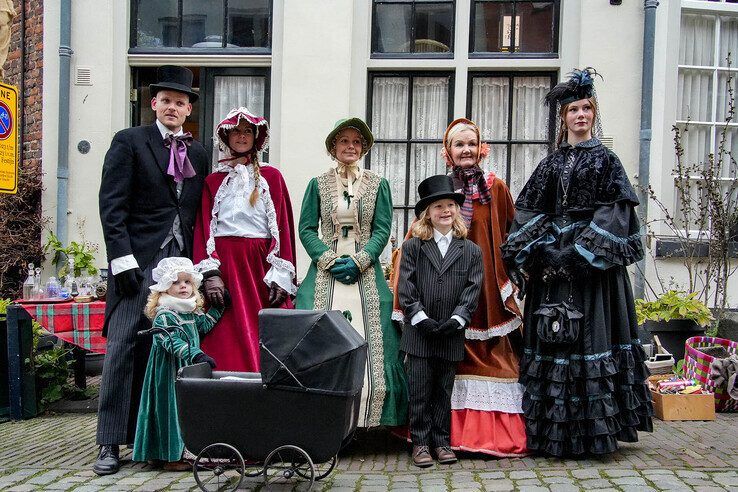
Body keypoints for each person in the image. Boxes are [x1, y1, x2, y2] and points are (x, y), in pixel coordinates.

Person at [501, 68, 653, 456]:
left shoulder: (608, 161)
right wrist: (542, 250)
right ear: (564, 117)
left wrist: (579, 254)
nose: (580, 116)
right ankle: (553, 433)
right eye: (573, 110)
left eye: (586, 109)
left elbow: (616, 213)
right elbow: (529, 209)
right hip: (552, 267)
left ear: (593, 114)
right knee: (553, 338)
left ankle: (593, 435)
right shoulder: (550, 164)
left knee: (589, 338)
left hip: (593, 276)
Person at [96, 65, 209, 475]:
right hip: (139, 262)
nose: (173, 107)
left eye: (181, 102)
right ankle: (108, 442)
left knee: (166, 352)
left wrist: (202, 269)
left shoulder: (198, 152)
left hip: (181, 265)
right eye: (167, 100)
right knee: (125, 345)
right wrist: (122, 260)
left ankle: (155, 440)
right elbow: (112, 205)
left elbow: (196, 211)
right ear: (154, 103)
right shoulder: (129, 142)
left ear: (188, 108)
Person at [393, 118, 528, 457]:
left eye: (471, 143)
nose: (466, 150)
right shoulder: (437, 195)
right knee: (429, 375)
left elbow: (514, 233)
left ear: (481, 148)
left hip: (482, 296)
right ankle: (427, 439)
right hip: (435, 302)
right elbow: (412, 245)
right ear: (447, 152)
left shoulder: (495, 188)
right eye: (459, 144)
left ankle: (473, 437)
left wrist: (516, 274)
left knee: (497, 359)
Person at [295, 118, 408, 428]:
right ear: (334, 147)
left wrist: (361, 260)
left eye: (356, 142)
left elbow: (383, 228)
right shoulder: (317, 184)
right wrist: (328, 260)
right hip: (326, 269)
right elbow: (306, 229)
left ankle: (372, 418)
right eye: (344, 141)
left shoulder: (377, 183)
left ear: (363, 148)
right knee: (308, 310)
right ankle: (322, 419)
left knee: (382, 318)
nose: (350, 147)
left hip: (365, 269)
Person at [193, 107, 296, 372]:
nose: (241, 136)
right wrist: (210, 273)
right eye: (236, 131)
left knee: (263, 328)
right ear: (226, 137)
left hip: (259, 266)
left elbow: (282, 226)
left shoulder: (272, 177)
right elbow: (204, 229)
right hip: (225, 265)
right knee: (224, 329)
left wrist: (281, 273)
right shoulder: (213, 181)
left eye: (247, 131)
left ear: (256, 137)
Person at [398, 175, 483, 467]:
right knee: (420, 389)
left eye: (450, 205)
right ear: (427, 213)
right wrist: (420, 318)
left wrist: (457, 319)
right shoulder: (414, 247)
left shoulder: (470, 250)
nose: (445, 211)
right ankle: (420, 443)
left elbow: (473, 289)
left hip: (450, 332)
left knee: (443, 391)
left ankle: (442, 441)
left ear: (457, 210)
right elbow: (405, 286)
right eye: (438, 207)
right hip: (419, 333)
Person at [132, 257, 222, 469]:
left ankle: (166, 452)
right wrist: (197, 355)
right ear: (164, 289)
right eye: (176, 282)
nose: (183, 286)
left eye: (187, 282)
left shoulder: (190, 310)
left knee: (183, 408)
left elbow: (205, 325)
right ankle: (171, 457)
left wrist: (219, 307)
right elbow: (169, 341)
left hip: (185, 367)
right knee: (169, 408)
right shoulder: (165, 313)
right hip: (168, 370)